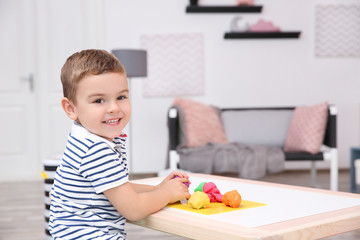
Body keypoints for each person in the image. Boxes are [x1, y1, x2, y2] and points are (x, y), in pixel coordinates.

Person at [49, 49, 191, 239]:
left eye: (121, 97)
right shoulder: (95, 150)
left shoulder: (87, 139)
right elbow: (133, 209)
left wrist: (159, 188)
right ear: (71, 108)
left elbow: (120, 188)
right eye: (99, 100)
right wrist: (166, 194)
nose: (114, 108)